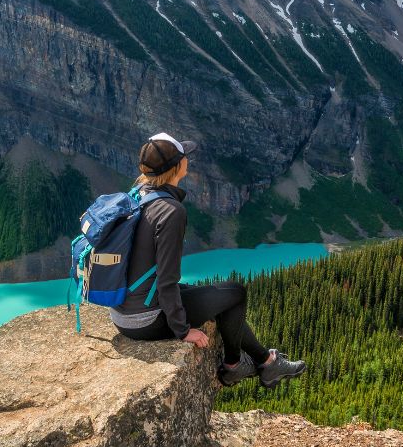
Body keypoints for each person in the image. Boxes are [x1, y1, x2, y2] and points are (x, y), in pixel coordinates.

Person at [111, 132, 306, 387]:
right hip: (146, 319)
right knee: (236, 293)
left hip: (122, 313)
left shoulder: (138, 194)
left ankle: (266, 362)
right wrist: (182, 330)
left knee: (216, 297)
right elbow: (168, 278)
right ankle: (234, 365)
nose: (187, 161)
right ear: (176, 167)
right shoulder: (171, 212)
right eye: (184, 157)